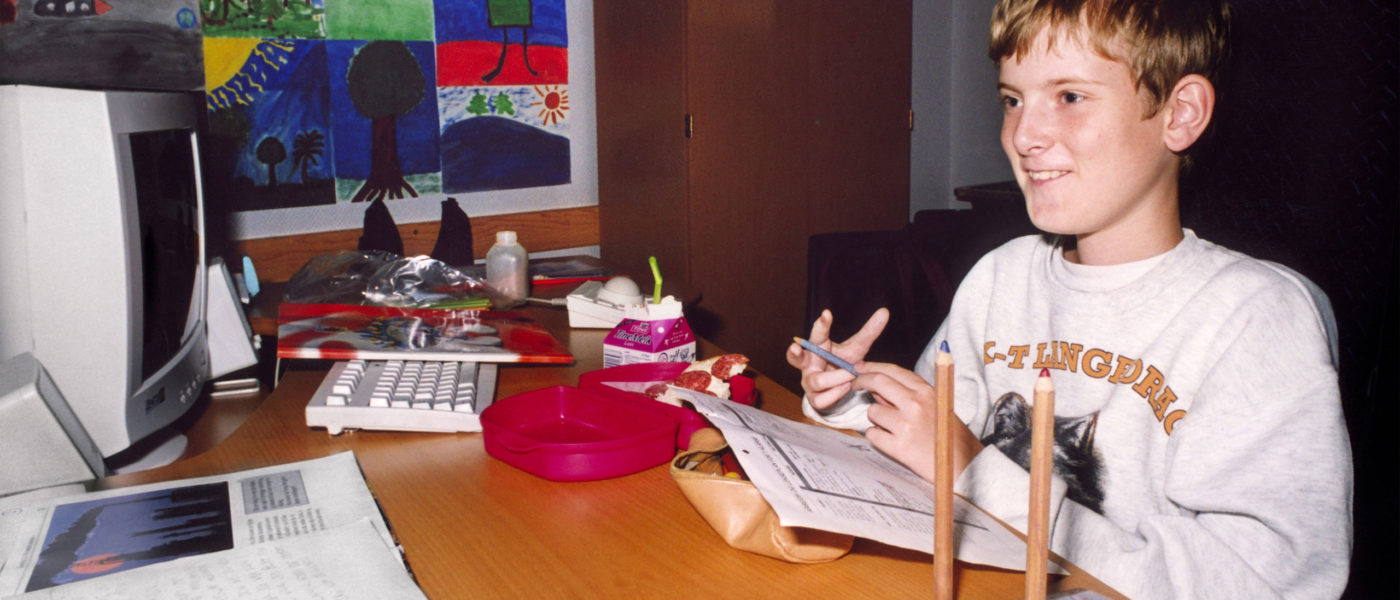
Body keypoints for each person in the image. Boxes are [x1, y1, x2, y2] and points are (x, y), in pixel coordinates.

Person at [787, 1, 1353, 598]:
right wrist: (851, 397)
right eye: (1012, 100)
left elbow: (1267, 582)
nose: (1023, 136)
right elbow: (931, 444)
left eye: (1070, 97)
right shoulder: (1000, 277)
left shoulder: (1255, 317)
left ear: (1180, 113)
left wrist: (977, 474)